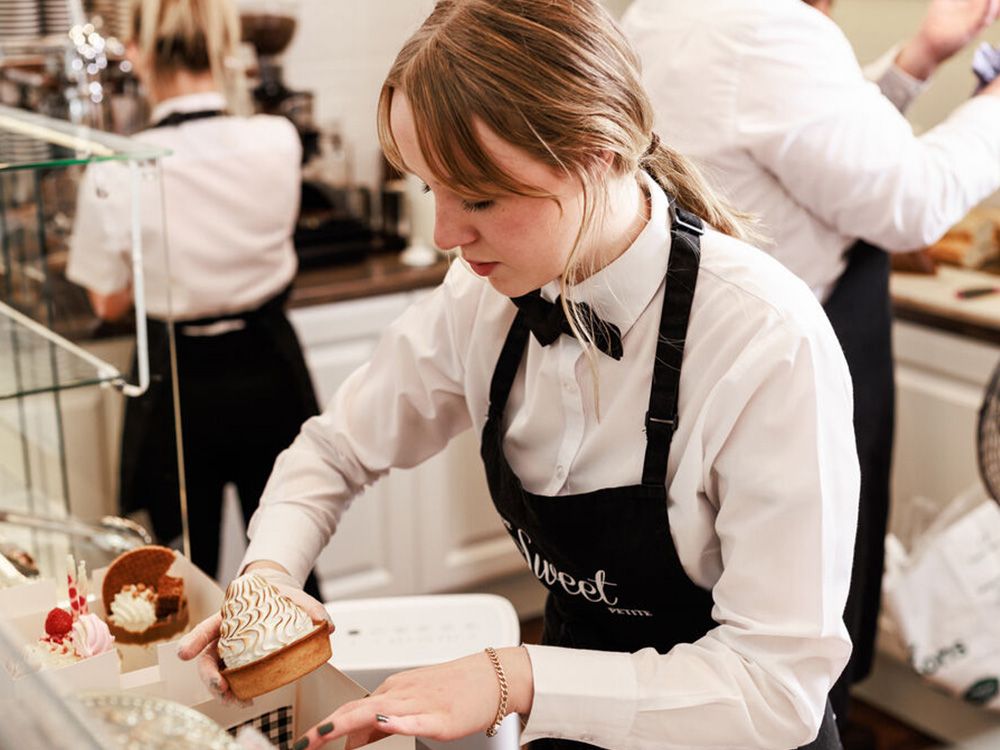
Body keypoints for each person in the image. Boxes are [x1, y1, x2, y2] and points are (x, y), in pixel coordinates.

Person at [179, 1, 860, 748]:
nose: (444, 234)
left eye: (479, 196)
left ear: (600, 154)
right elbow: (335, 449)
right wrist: (269, 578)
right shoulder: (482, 296)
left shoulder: (766, 341)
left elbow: (776, 689)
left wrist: (516, 677)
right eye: (427, 187)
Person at [621, 0, 1000, 732]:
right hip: (788, 370)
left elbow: (805, 138)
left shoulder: (663, 13)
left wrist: (919, 56)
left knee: (710, 610)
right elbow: (912, 201)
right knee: (799, 626)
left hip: (693, 367)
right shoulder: (767, 27)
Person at [66, 0, 322, 598]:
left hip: (177, 381)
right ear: (225, 47)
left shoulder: (115, 167)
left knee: (184, 572)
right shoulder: (277, 138)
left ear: (138, 52)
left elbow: (106, 303)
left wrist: (161, 266)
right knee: (292, 548)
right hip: (269, 366)